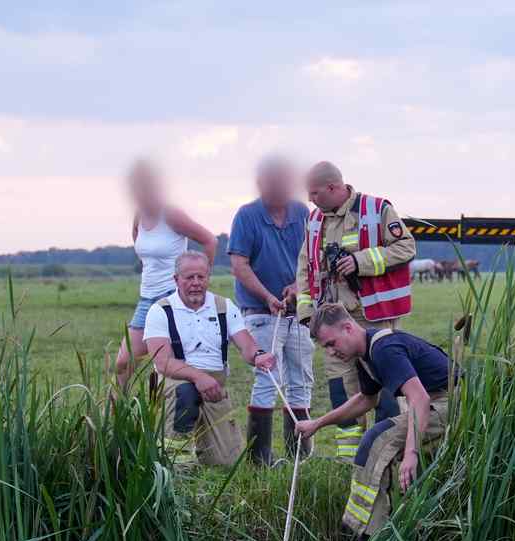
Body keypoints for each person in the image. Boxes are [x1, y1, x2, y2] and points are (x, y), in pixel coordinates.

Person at [296, 305, 453, 541]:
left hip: (455, 400)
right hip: (434, 400)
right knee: (375, 442)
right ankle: (365, 535)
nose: (331, 352)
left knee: (377, 440)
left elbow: (420, 399)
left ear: (348, 327)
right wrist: (317, 424)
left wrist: (411, 453)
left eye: (331, 343)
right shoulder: (365, 354)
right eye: (325, 347)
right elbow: (366, 400)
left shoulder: (383, 349)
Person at [293, 161, 416, 461]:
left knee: (387, 385)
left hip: (373, 316)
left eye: (314, 193)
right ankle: (348, 461)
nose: (310, 200)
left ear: (334, 187)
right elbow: (304, 268)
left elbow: (406, 247)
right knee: (341, 389)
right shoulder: (314, 220)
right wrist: (308, 315)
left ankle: (387, 454)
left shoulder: (376, 209)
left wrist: (360, 261)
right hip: (332, 322)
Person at [143, 252, 275, 466]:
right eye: (189, 278)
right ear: (176, 279)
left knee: (227, 463)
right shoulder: (160, 311)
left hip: (215, 387)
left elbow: (246, 346)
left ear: (208, 278)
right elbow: (162, 362)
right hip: (175, 383)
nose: (196, 283)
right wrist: (198, 377)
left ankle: (202, 451)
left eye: (201, 277)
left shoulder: (225, 306)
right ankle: (176, 463)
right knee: (185, 392)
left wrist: (259, 356)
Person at [228, 156, 315, 466]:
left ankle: (300, 454)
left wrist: (297, 286)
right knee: (268, 376)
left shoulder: (302, 213)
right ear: (261, 184)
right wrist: (267, 296)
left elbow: (311, 260)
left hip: (299, 310)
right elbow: (239, 265)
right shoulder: (247, 216)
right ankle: (260, 457)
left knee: (302, 379)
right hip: (260, 311)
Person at [115, 160, 217, 390]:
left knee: (165, 366)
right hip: (147, 299)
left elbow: (210, 241)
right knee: (123, 362)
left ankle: (172, 418)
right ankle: (114, 420)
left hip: (172, 297)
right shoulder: (138, 216)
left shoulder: (171, 214)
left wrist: (198, 280)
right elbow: (140, 247)